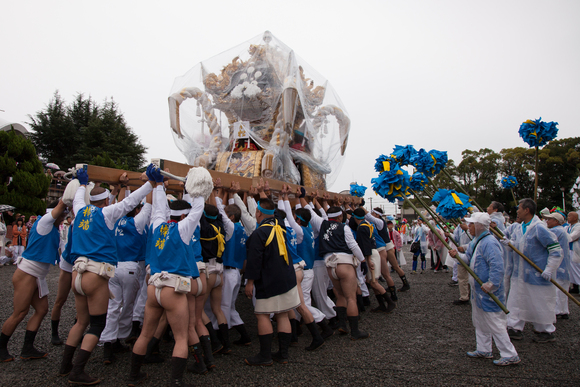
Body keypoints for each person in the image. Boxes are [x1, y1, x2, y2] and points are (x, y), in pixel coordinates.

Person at [59, 167, 155, 385]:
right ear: (106, 202)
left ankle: (65, 366)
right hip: (96, 273)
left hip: (77, 272)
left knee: (81, 322)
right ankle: (78, 371)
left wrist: (82, 184)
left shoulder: (80, 210)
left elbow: (77, 199)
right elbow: (131, 203)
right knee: (96, 324)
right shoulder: (106, 214)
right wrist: (151, 184)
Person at [127, 166, 206, 387]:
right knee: (181, 337)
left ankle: (134, 375)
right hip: (174, 287)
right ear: (181, 215)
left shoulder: (156, 226)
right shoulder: (183, 228)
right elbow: (197, 208)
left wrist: (159, 185)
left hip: (154, 288)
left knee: (145, 334)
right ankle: (176, 381)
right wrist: (197, 185)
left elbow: (159, 208)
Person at [449, 212, 520, 366]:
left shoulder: (490, 242)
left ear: (480, 226)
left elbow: (497, 266)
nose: (469, 227)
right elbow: (468, 259)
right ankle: (483, 348)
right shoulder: (476, 241)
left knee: (495, 322)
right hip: (478, 290)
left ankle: (509, 353)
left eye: (472, 224)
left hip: (488, 290)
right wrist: (458, 256)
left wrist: (492, 284)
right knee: (479, 320)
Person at [0, 199, 67, 362]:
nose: (65, 215)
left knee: (42, 309)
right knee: (20, 312)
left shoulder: (51, 226)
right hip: (27, 273)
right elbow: (60, 206)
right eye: (63, 213)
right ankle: (1, 347)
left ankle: (27, 348)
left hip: (36, 275)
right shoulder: (44, 222)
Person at [244, 197, 300, 365]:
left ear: (258, 212)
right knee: (282, 314)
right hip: (287, 277)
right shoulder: (280, 226)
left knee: (262, 315)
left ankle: (265, 356)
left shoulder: (259, 233)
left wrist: (249, 282)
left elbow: (254, 261)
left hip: (269, 280)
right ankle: (283, 354)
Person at [100, 186, 152, 364]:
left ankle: (108, 342)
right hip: (130, 267)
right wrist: (155, 184)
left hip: (113, 267)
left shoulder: (115, 221)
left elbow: (121, 204)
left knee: (113, 307)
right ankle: (118, 339)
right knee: (128, 306)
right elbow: (149, 205)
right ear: (137, 210)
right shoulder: (137, 223)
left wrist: (123, 187)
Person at [505, 198, 563, 343]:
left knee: (539, 303)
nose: (517, 210)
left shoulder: (539, 228)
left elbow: (555, 250)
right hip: (519, 275)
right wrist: (510, 244)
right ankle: (514, 328)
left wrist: (550, 268)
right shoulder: (519, 227)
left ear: (527, 210)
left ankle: (545, 330)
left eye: (519, 208)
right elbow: (520, 246)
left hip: (537, 275)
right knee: (516, 301)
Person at [351, 208, 395, 313]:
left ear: (355, 217)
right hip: (373, 253)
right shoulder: (367, 224)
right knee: (372, 281)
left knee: (374, 282)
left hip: (370, 255)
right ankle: (381, 305)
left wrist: (369, 260)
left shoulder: (362, 228)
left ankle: (390, 302)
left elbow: (366, 245)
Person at [543, 212, 571, 319]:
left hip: (559, 266)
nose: (547, 221)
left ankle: (558, 311)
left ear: (556, 221)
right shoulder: (562, 231)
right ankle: (563, 310)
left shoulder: (555, 231)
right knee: (562, 290)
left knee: (557, 290)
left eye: (549, 219)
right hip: (564, 265)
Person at [567, 211, 580, 294]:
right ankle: (575, 287)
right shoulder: (569, 226)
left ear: (575, 218)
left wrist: (568, 238)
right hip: (570, 250)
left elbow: (572, 236)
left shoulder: (578, 226)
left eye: (569, 216)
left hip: (576, 251)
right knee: (572, 270)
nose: (568, 217)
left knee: (577, 269)